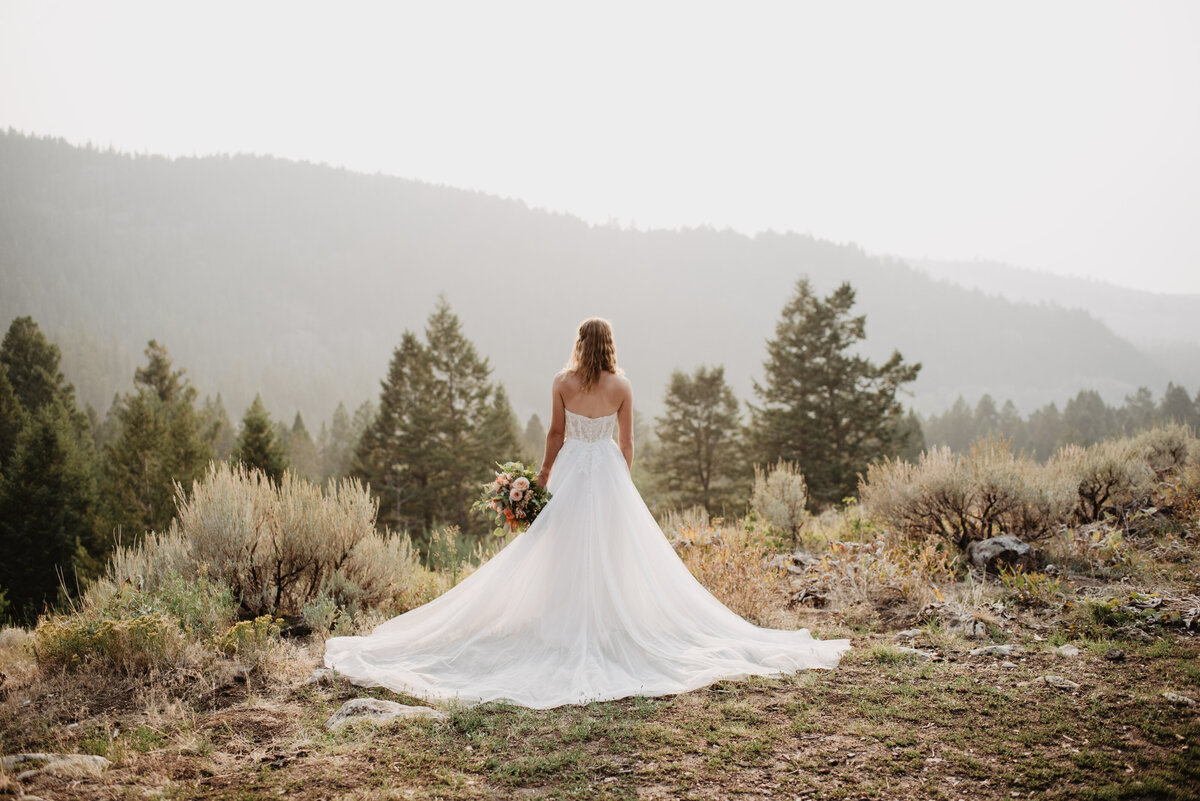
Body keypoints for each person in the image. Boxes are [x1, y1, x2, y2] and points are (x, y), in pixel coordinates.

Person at [324, 317, 851, 709]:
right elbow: (628, 445)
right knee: (614, 550)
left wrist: (543, 479)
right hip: (608, 475)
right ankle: (607, 627)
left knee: (560, 547)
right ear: (611, 346)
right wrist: (622, 482)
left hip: (573, 468)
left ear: (579, 344)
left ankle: (561, 627)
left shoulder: (562, 381)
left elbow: (555, 434)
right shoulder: (622, 385)